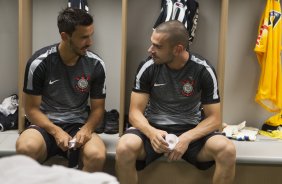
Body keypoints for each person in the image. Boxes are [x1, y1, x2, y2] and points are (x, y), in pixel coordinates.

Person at [115, 20, 236, 184]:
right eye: (152, 44)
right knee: (124, 147)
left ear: (178, 49)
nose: (150, 50)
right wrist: (151, 133)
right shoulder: (148, 67)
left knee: (227, 150)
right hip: (155, 129)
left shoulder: (203, 69)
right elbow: (135, 113)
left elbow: (215, 119)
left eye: (157, 46)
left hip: (191, 131)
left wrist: (186, 139)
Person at [16, 7, 107, 172]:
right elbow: (30, 109)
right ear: (65, 36)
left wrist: (87, 129)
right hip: (45, 125)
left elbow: (98, 109)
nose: (90, 42)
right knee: (25, 148)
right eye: (84, 37)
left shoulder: (96, 64)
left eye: (90, 35)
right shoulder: (39, 63)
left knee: (97, 155)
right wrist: (56, 131)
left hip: (78, 125)